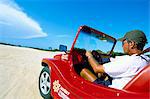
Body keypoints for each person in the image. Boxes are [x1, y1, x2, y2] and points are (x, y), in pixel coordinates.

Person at [80, 30, 150, 90]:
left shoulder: (131, 62)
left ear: (131, 44)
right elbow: (114, 60)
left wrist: (89, 56)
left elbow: (96, 68)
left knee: (84, 71)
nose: (122, 46)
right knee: (102, 74)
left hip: (109, 90)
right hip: (123, 87)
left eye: (123, 42)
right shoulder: (145, 59)